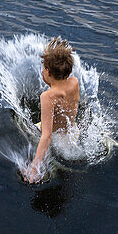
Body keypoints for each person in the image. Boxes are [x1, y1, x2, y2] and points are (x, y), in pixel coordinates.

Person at [24, 37, 80, 183]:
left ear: (48, 72)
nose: (42, 71)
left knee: (24, 126)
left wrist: (35, 167)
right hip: (72, 134)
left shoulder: (48, 96)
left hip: (56, 141)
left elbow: (47, 136)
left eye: (43, 68)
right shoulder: (74, 82)